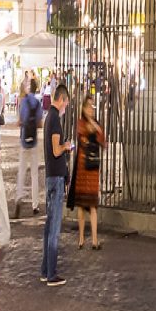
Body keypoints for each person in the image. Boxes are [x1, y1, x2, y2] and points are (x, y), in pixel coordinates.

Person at [41, 81, 75, 287]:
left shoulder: (49, 118)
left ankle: (45, 269)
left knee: (48, 226)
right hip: (55, 178)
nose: (66, 108)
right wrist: (67, 145)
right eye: (66, 104)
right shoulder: (54, 120)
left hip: (50, 176)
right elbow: (55, 150)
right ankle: (52, 273)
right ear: (61, 100)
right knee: (54, 227)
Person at [68, 92, 105, 250]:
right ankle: (82, 238)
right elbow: (82, 136)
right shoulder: (81, 122)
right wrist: (91, 126)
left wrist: (95, 126)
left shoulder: (96, 123)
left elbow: (103, 140)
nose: (91, 109)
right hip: (83, 165)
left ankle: (95, 240)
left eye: (92, 106)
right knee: (82, 205)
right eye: (89, 106)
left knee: (93, 205)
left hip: (93, 167)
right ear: (83, 108)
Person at [14, 75, 44, 217]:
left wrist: (23, 123)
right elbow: (40, 123)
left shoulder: (24, 102)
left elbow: (20, 121)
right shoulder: (38, 103)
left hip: (24, 140)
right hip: (34, 142)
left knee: (21, 171)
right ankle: (35, 204)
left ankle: (18, 199)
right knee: (34, 174)